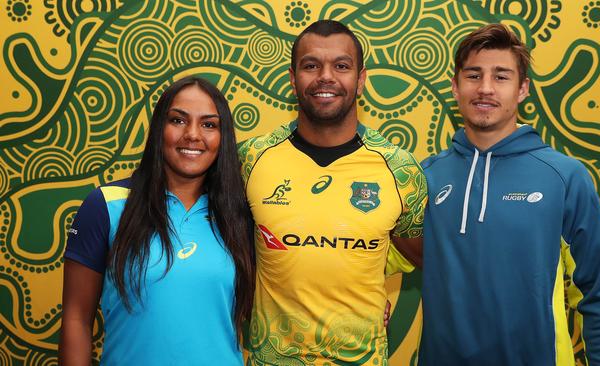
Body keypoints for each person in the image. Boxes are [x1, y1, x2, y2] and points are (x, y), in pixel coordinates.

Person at [419, 24, 600, 365]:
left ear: (522, 89)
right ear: (455, 87)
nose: (485, 88)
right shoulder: (426, 177)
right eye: (473, 75)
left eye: (501, 77)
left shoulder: (565, 177)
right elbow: (378, 255)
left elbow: (597, 292)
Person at [238, 20, 427, 365]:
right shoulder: (250, 159)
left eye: (341, 66)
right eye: (311, 66)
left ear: (361, 79)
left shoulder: (401, 171)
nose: (326, 76)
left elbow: (422, 256)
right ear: (293, 79)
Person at [58, 76, 255, 365]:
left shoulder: (240, 215)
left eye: (209, 124)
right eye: (178, 120)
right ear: (158, 128)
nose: (192, 134)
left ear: (222, 138)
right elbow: (76, 319)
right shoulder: (106, 205)